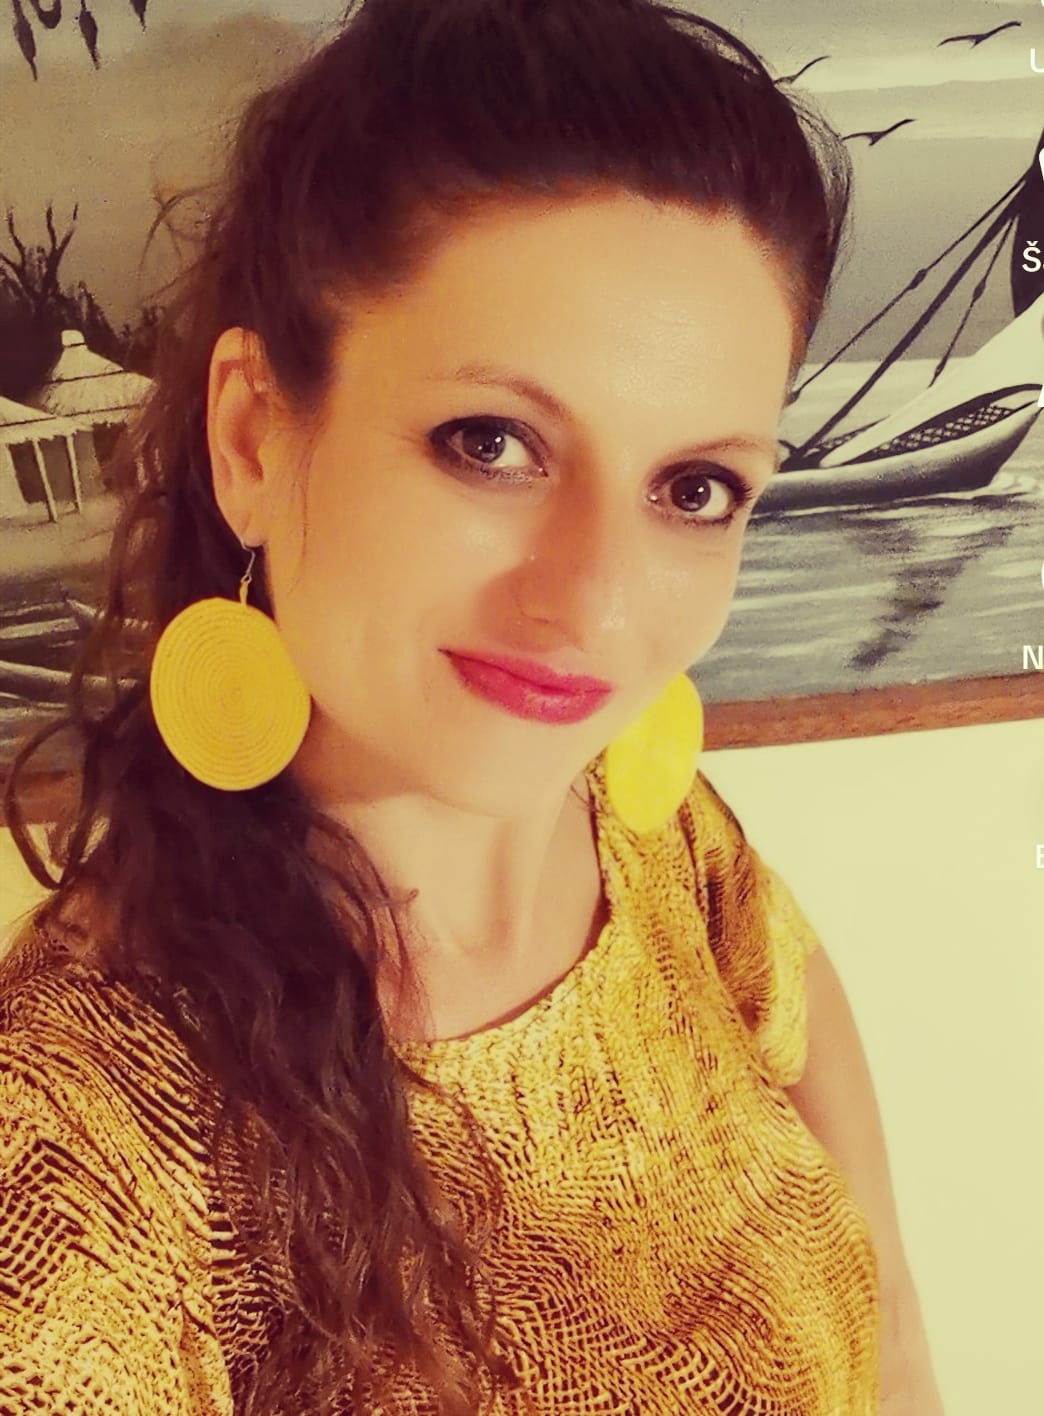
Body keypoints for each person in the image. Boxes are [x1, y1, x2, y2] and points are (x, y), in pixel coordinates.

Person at [0, 1, 944, 1412]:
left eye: (696, 488)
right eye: (491, 443)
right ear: (252, 436)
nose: (594, 604)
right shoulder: (78, 1154)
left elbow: (883, 1307)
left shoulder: (662, 839)